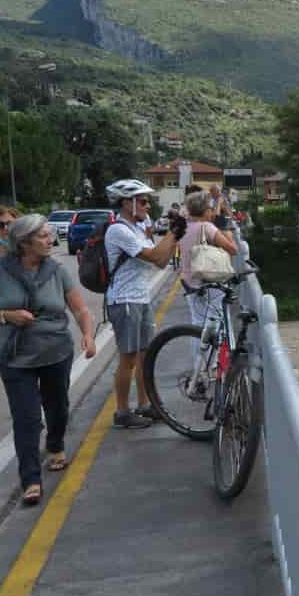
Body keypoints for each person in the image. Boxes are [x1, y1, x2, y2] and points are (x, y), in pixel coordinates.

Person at [0, 215, 96, 505]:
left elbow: (79, 309)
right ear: (24, 243)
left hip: (55, 351)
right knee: (26, 418)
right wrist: (8, 316)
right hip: (15, 356)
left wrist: (88, 336)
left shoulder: (56, 269)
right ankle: (30, 478)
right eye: (42, 235)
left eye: (48, 234)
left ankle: (55, 445)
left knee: (57, 407)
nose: (49, 239)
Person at [103, 178, 181, 429]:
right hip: (124, 300)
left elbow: (160, 262)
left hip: (141, 297)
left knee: (145, 355)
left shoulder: (138, 228)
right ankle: (122, 412)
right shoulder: (119, 230)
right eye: (144, 201)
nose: (148, 206)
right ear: (127, 203)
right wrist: (172, 232)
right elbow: (157, 255)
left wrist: (175, 237)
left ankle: (145, 405)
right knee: (128, 358)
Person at [179, 189, 239, 326]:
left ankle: (200, 347)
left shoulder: (182, 227)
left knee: (197, 323)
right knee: (216, 320)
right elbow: (233, 249)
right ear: (205, 210)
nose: (211, 212)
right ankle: (217, 347)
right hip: (210, 280)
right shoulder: (207, 227)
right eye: (210, 209)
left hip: (189, 281)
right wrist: (229, 235)